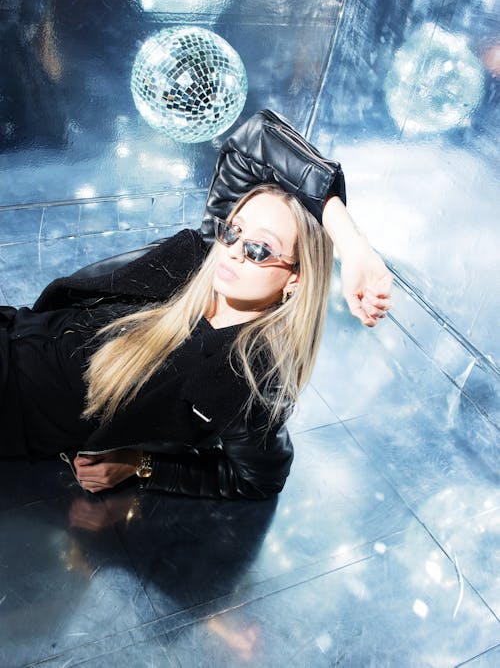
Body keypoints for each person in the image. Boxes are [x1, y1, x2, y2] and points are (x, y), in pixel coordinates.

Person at [0, 111, 392, 499]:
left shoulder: (243, 374)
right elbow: (254, 140)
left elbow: (259, 478)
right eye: (233, 232)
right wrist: (349, 236)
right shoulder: (200, 260)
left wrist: (140, 465)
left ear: (296, 279)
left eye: (259, 249)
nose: (234, 252)